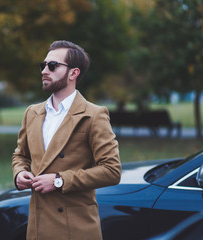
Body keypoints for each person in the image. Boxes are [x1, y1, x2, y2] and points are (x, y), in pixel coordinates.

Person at [12, 40, 121, 240]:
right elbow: (21, 155)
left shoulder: (94, 114)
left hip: (75, 229)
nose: (45, 70)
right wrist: (19, 173)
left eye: (52, 66)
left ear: (73, 73)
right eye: (43, 65)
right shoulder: (32, 113)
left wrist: (59, 180)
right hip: (38, 228)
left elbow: (112, 171)